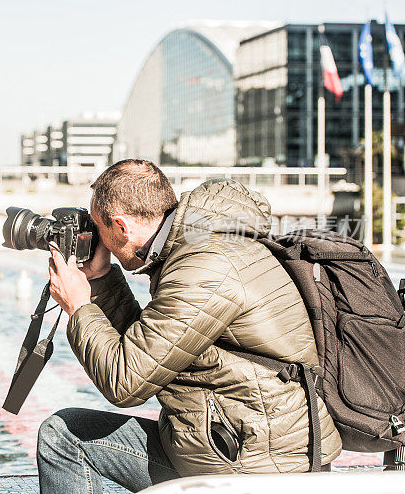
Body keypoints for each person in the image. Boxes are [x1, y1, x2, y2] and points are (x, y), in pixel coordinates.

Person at [38, 159, 341, 493]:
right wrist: (102, 277)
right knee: (69, 428)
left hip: (251, 465)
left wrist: (79, 305)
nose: (101, 241)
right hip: (237, 441)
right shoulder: (202, 244)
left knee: (62, 437)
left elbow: (125, 383)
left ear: (122, 227)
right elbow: (147, 348)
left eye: (100, 228)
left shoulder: (205, 269)